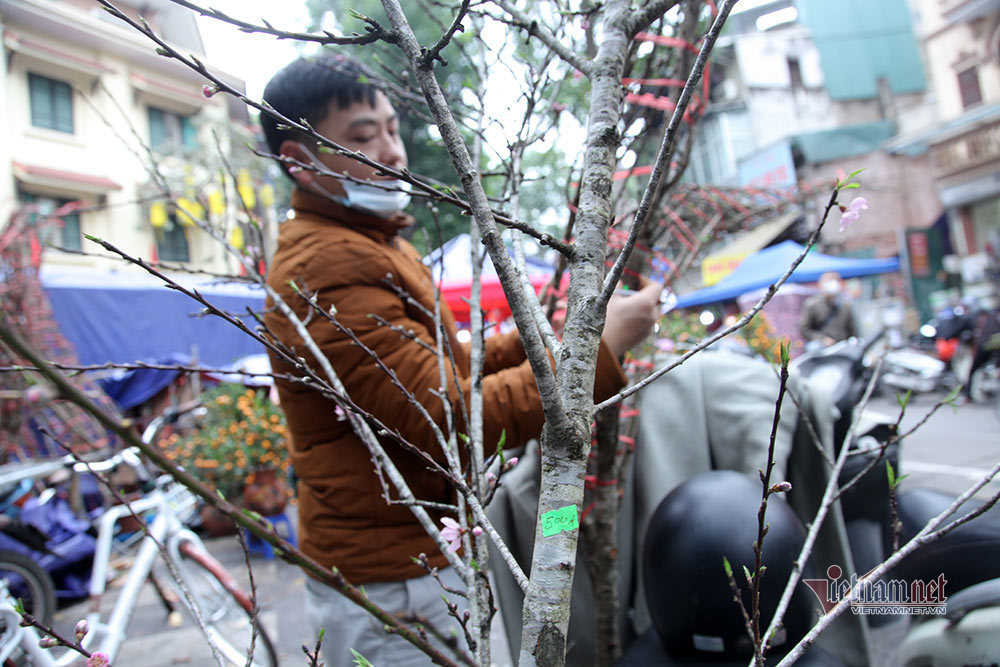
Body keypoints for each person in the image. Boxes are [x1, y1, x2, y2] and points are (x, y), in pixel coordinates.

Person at [260, 54, 662, 666]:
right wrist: (598, 353)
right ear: (299, 160)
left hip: (410, 559)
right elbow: (446, 416)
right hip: (391, 584)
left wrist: (552, 336)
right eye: (364, 137)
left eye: (393, 128)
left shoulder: (369, 243)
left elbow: (442, 364)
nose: (393, 151)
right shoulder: (328, 266)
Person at [799, 272, 857, 348]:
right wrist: (822, 339)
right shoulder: (812, 304)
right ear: (821, 284)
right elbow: (805, 330)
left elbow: (852, 330)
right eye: (829, 280)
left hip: (842, 346)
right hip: (821, 347)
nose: (833, 283)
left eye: (836, 280)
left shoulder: (845, 305)